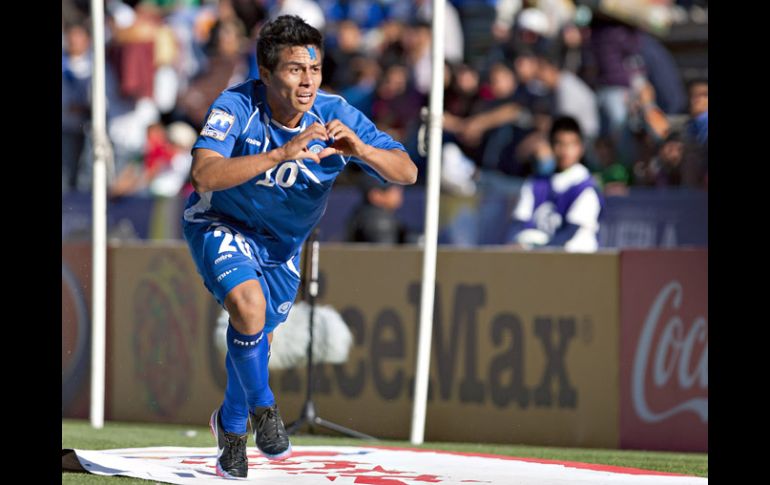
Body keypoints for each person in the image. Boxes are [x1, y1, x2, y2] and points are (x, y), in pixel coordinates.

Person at [181, 15, 417, 478]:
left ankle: (230, 425)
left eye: (314, 69)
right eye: (294, 70)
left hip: (283, 249)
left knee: (257, 343)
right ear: (266, 74)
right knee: (246, 309)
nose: (307, 81)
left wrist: (361, 151)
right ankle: (266, 411)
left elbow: (407, 171)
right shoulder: (237, 104)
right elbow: (204, 174)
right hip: (221, 222)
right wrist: (280, 154)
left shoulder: (336, 113)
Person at [506, 116, 602, 252]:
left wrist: (535, 249)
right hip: (537, 263)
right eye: (559, 144)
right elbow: (519, 222)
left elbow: (570, 232)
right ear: (551, 145)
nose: (565, 151)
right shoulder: (534, 184)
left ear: (581, 148)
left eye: (571, 144)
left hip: (577, 263)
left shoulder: (585, 188)